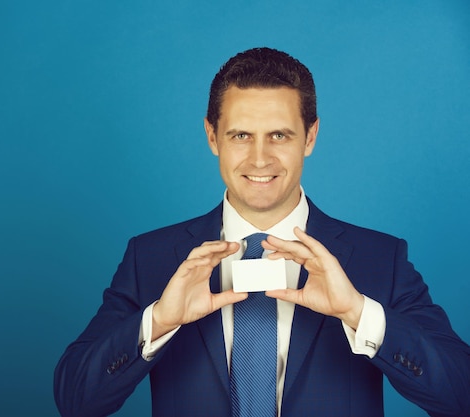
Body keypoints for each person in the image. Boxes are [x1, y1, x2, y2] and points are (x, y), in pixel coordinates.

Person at [54, 47, 470, 417]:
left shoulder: (380, 258)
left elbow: (461, 395)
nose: (260, 158)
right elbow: (75, 400)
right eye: (240, 136)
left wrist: (359, 313)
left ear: (310, 137)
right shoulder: (152, 258)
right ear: (212, 136)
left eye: (279, 135)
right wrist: (159, 320)